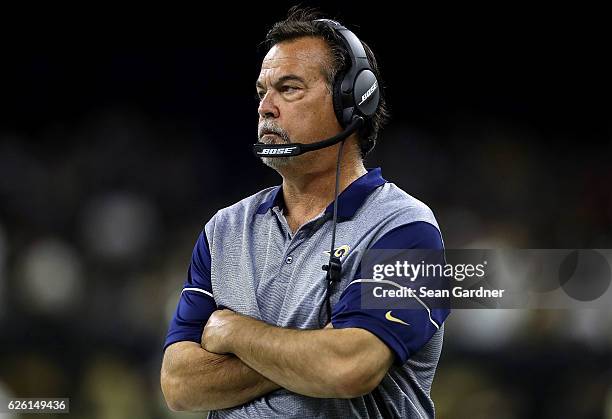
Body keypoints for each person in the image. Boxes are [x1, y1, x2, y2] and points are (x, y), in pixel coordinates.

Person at [161, 7, 449, 418]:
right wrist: (315, 346)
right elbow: (180, 386)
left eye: (289, 88)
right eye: (262, 92)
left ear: (352, 100)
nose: (265, 108)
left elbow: (348, 368)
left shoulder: (409, 229)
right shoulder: (223, 230)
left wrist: (237, 332)